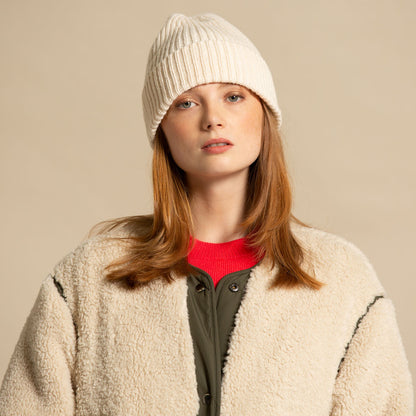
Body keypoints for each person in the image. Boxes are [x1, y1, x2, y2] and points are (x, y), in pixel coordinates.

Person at [0, 12, 413, 416]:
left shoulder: (341, 279)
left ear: (264, 115)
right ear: (162, 129)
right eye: (186, 103)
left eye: (233, 97)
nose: (212, 119)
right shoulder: (88, 279)